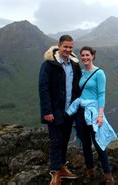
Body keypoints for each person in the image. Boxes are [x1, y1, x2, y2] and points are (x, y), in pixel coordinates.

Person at [65, 46, 117, 184]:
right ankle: (90, 171)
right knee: (85, 144)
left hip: (93, 113)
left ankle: (108, 175)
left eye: (87, 55)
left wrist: (100, 115)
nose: (85, 58)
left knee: (99, 144)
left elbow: (101, 95)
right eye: (82, 55)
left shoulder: (99, 73)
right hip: (81, 112)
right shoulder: (81, 73)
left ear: (93, 56)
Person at [39, 35, 81, 185]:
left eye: (70, 47)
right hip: (55, 111)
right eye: (65, 47)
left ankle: (62, 166)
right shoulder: (49, 64)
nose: (68, 50)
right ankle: (55, 173)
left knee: (64, 141)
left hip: (69, 112)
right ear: (59, 46)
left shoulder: (74, 66)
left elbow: (77, 88)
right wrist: (47, 111)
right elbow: (43, 89)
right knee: (56, 141)